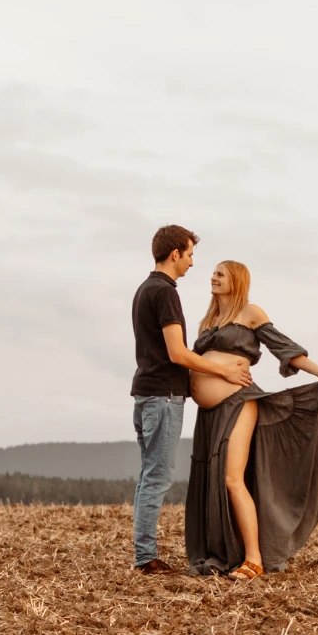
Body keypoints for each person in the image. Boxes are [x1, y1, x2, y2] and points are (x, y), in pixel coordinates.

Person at [184, 260, 318, 579]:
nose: (213, 277)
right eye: (213, 273)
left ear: (236, 279)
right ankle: (224, 552)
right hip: (208, 413)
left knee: (232, 479)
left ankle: (254, 559)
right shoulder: (208, 322)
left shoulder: (250, 312)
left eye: (220, 274)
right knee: (211, 480)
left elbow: (283, 347)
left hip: (239, 402)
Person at [130, 225, 252, 574]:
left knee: (148, 476)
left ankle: (144, 554)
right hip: (163, 397)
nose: (192, 263)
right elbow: (177, 353)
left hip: (146, 394)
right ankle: (146, 558)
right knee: (157, 478)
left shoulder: (144, 289)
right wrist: (223, 373)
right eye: (190, 254)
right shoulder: (166, 292)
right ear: (175, 255)